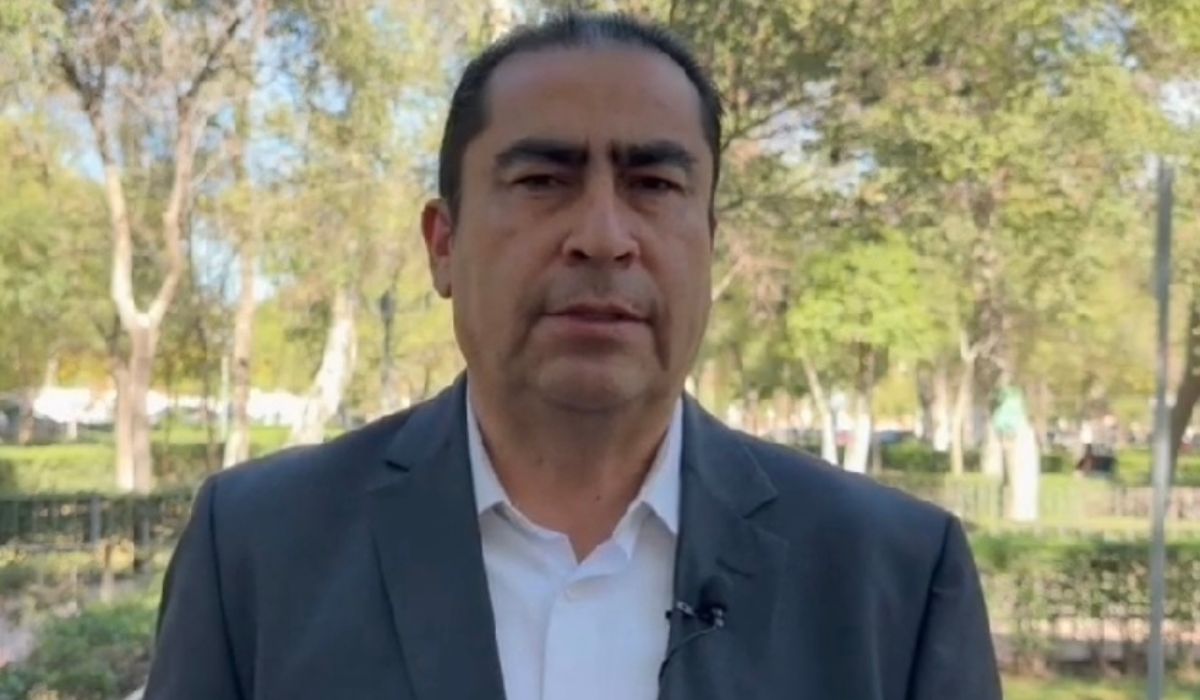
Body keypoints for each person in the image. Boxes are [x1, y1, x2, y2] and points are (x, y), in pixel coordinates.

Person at [144, 12, 1001, 700]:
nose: (602, 236)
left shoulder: (891, 578)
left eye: (654, 185)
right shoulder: (258, 551)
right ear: (443, 245)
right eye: (543, 181)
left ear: (708, 245)